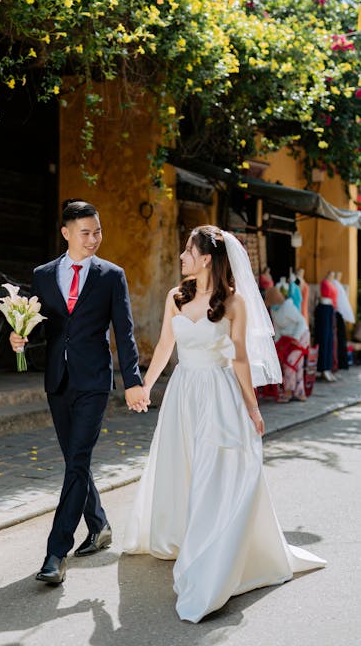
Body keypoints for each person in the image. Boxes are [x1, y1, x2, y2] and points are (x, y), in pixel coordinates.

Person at [123, 226, 325, 623]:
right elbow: (165, 346)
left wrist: (252, 409)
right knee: (182, 465)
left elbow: (239, 361)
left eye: (188, 250)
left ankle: (214, 550)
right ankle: (183, 534)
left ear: (207, 258)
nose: (182, 257)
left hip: (218, 395)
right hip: (183, 392)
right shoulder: (175, 296)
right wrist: (145, 386)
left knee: (217, 473)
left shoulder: (234, 304)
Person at [10, 200, 148, 585]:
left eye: (97, 231)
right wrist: (19, 337)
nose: (93, 239)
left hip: (94, 382)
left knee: (76, 461)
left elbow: (124, 330)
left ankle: (56, 552)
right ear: (67, 233)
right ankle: (99, 525)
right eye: (85, 232)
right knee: (75, 460)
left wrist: (133, 381)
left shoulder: (110, 276)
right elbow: (39, 326)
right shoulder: (43, 275)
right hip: (57, 380)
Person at [264, 286, 310, 402]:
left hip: (300, 336)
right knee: (294, 364)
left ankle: (289, 392)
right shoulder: (274, 310)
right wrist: (276, 345)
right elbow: (277, 329)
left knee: (290, 363)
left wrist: (296, 337)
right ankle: (299, 393)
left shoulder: (288, 308)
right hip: (288, 339)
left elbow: (302, 322)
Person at [314, 270, 338, 382]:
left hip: (330, 309)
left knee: (329, 339)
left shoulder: (332, 282)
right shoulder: (324, 282)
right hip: (323, 308)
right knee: (323, 338)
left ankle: (327, 367)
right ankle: (322, 368)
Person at [333, 271, 354, 371]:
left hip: (339, 314)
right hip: (337, 313)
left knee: (341, 338)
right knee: (339, 338)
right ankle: (340, 362)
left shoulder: (338, 285)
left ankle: (342, 362)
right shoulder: (334, 285)